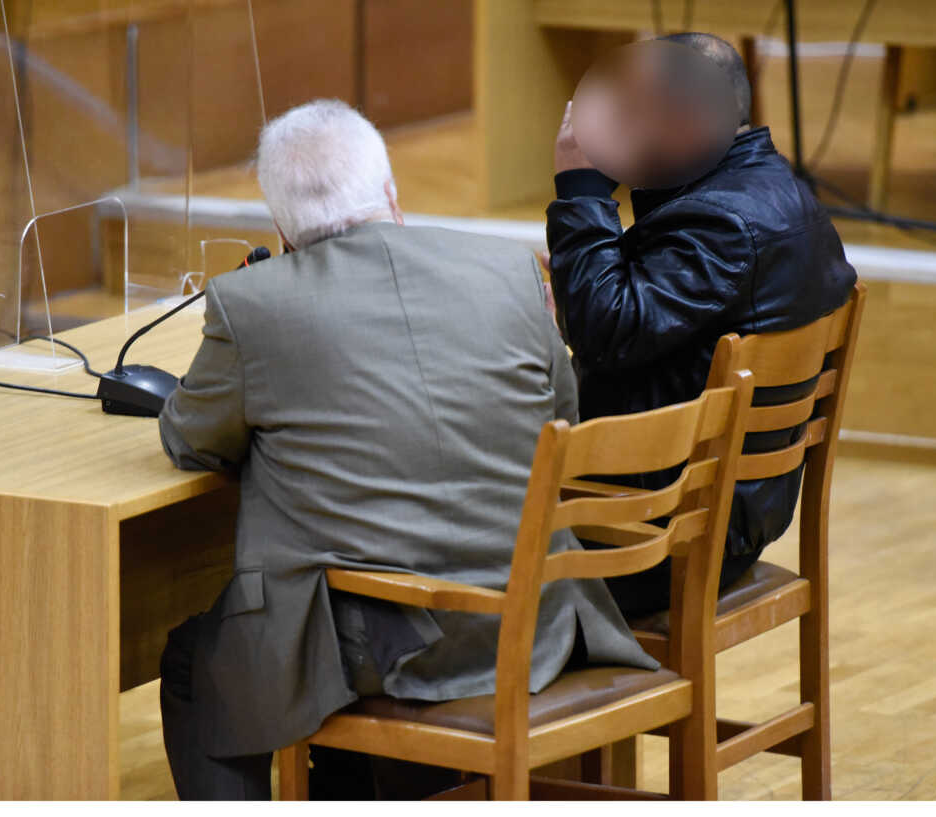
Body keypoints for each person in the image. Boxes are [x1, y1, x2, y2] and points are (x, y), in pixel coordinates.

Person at [157, 99, 656, 799]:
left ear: (281, 228)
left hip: (389, 642)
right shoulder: (509, 271)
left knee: (195, 664)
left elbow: (190, 438)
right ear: (391, 194)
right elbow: (561, 421)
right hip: (539, 617)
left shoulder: (251, 304)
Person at [545, 33, 858, 617]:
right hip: (723, 516)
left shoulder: (721, 224)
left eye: (625, 112)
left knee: (462, 512)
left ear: (684, 122)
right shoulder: (772, 189)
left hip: (655, 535)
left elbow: (601, 331)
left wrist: (582, 188)